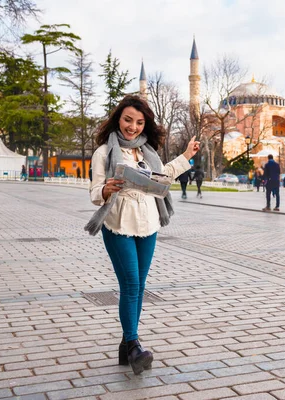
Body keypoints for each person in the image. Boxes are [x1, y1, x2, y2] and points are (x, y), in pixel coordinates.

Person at [84, 95, 199, 375]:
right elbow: (94, 192)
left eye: (139, 122)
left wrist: (186, 156)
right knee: (131, 284)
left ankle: (126, 346)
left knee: (139, 287)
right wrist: (106, 189)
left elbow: (162, 177)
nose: (132, 127)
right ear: (118, 119)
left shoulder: (147, 152)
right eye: (127, 120)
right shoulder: (104, 152)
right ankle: (135, 346)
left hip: (148, 223)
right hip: (118, 223)